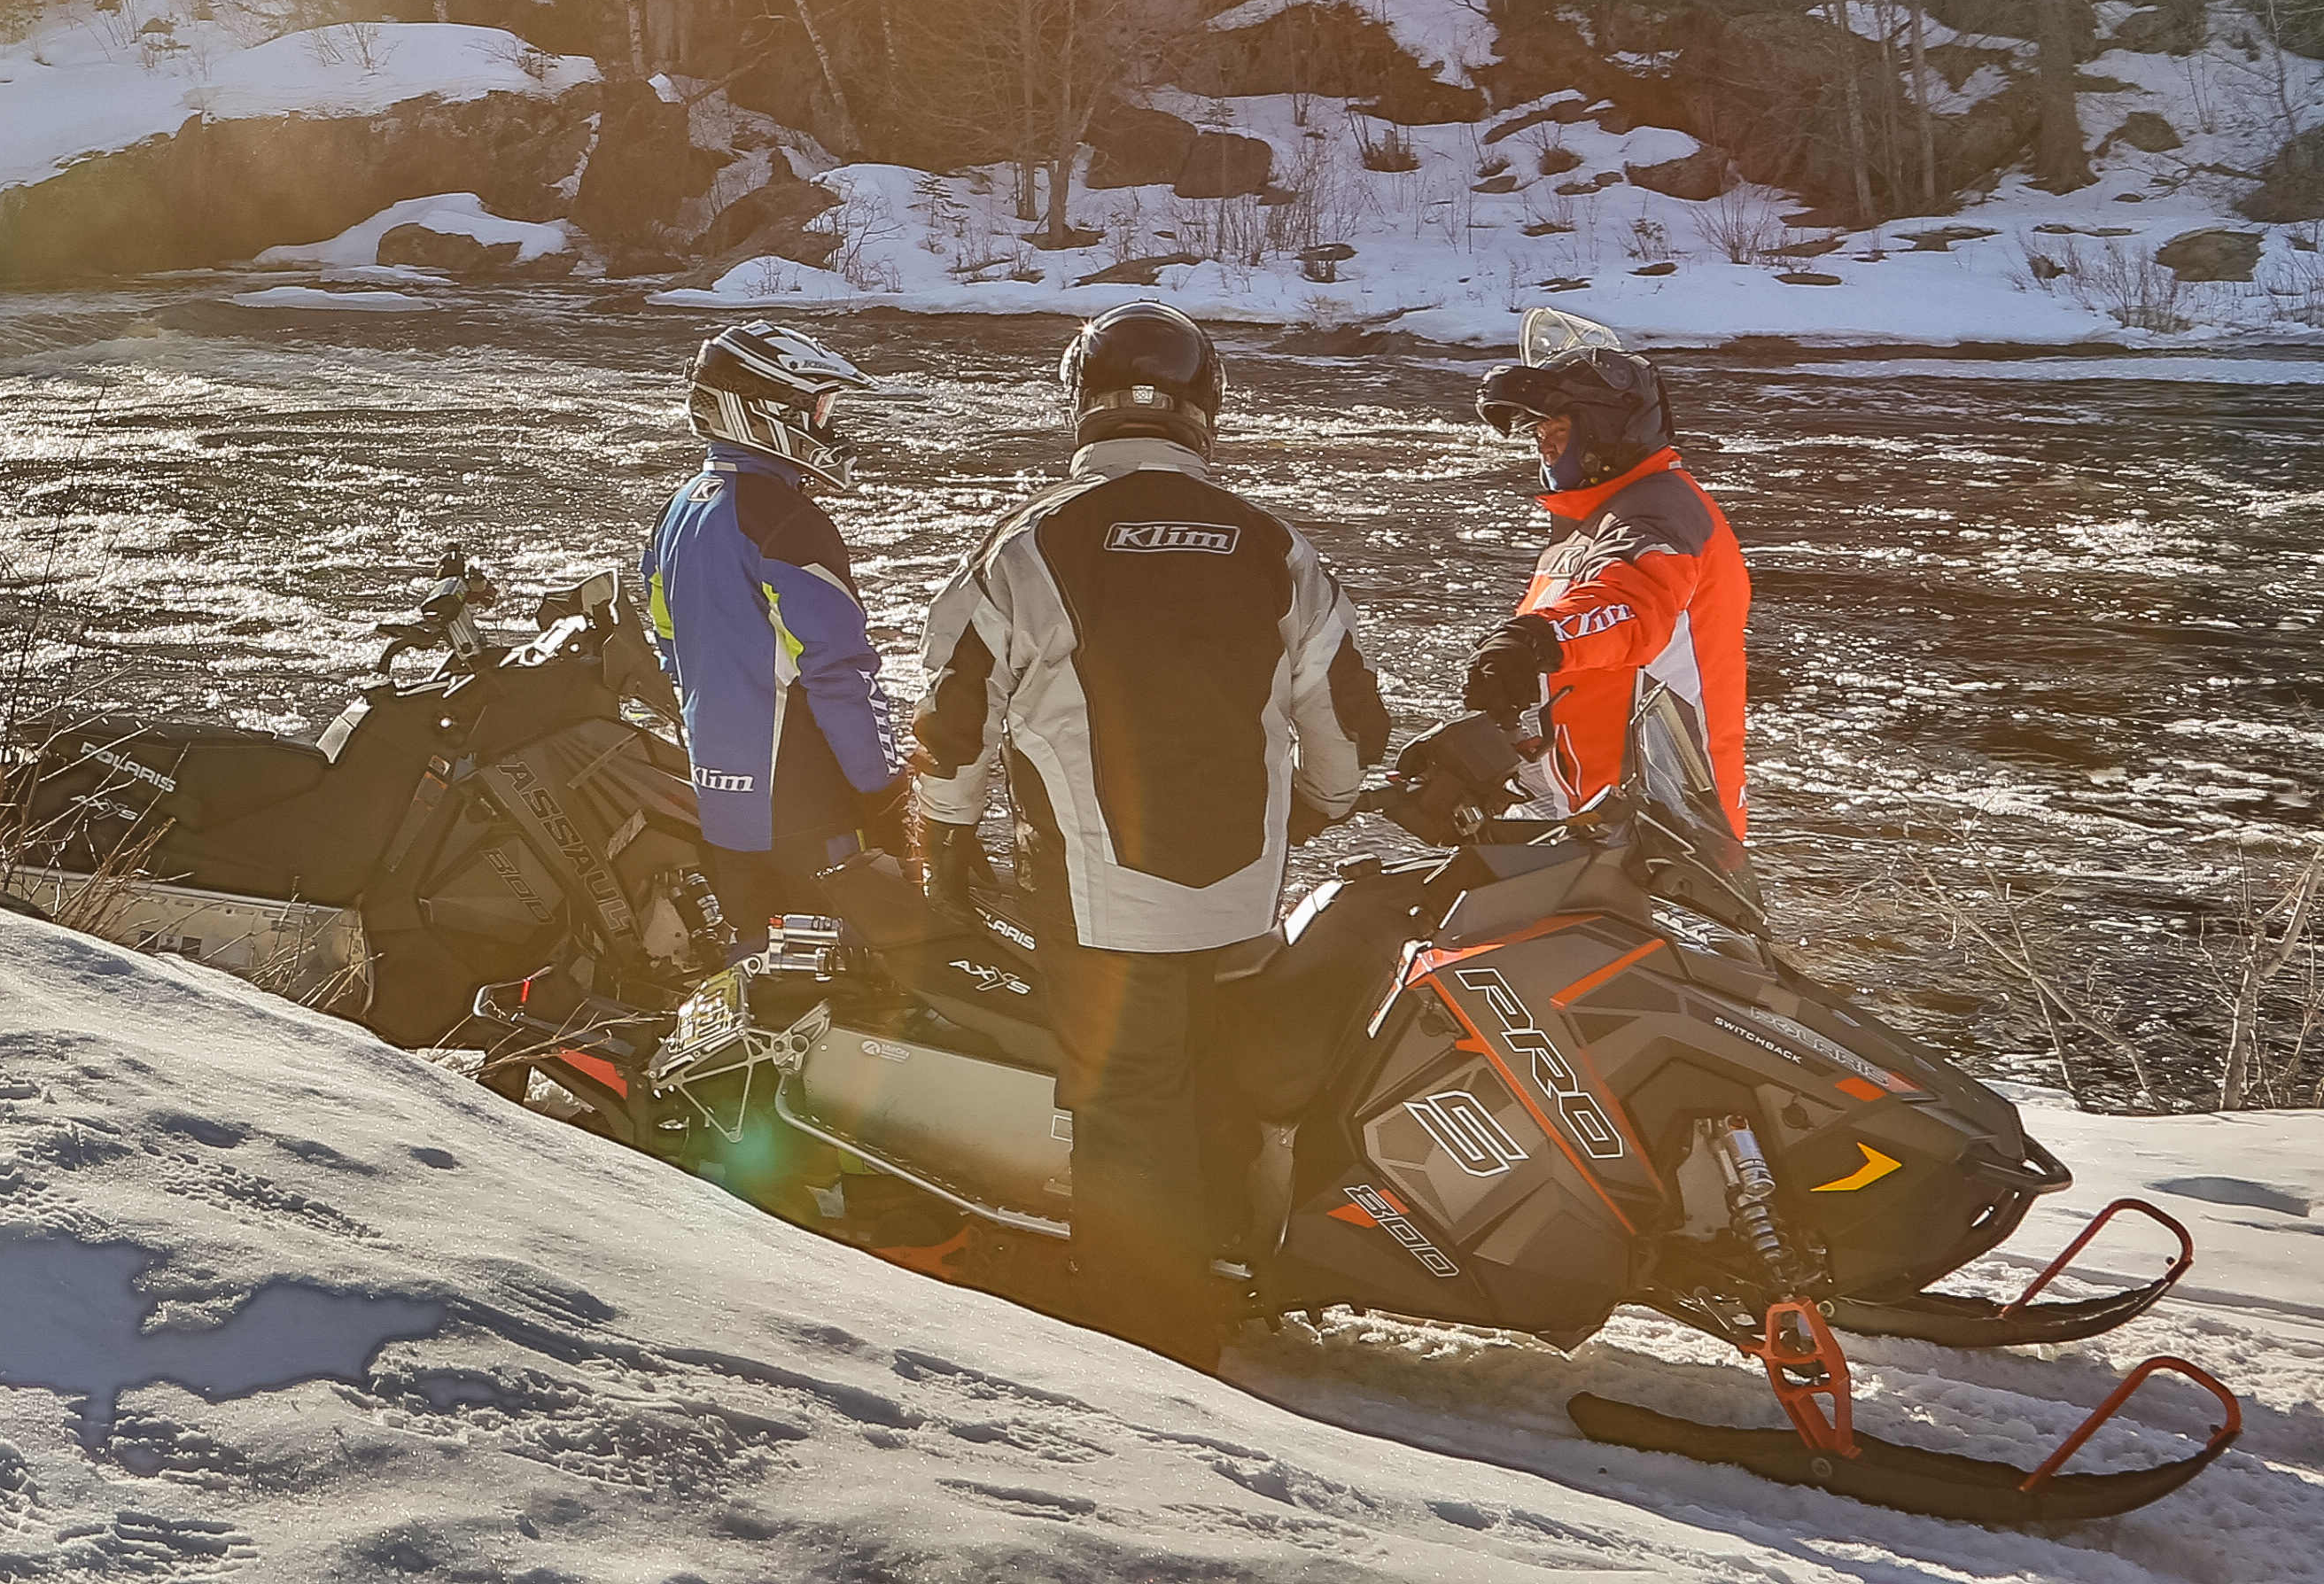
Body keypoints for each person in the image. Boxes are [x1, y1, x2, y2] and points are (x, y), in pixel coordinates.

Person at [904, 302, 1388, 1369]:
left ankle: (1149, 1346)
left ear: (1082, 407)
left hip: (1092, 887)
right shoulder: (1277, 547)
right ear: (1204, 409)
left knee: (1125, 1105)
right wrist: (1319, 808)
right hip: (1241, 894)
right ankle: (1227, 1272)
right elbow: (1349, 728)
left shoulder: (1031, 543)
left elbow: (952, 715)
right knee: (1218, 1075)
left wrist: (946, 840)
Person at [638, 322, 908, 931]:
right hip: (811, 806)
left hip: (722, 801)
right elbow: (841, 675)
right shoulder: (788, 522)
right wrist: (886, 791)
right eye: (815, 408)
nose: (825, 425)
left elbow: (669, 647)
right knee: (855, 981)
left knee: (758, 968)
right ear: (762, 413)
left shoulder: (676, 513)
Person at [1465, 318, 1753, 839]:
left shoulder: (1659, 510)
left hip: (1666, 821)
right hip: (1592, 810)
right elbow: (1580, 672)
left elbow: (1630, 610)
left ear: (1605, 429)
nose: (1545, 447)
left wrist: (1535, 640)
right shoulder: (1590, 522)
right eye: (1538, 434)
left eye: (1557, 430)